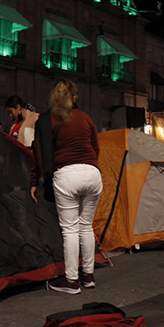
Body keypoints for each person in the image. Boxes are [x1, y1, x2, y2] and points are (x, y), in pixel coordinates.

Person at [31, 80, 102, 295]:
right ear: (75, 97)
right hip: (92, 173)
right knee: (86, 226)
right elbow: (95, 147)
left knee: (70, 229)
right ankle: (88, 276)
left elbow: (39, 154)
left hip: (67, 174)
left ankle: (71, 281)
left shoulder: (47, 120)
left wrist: (34, 181)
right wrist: (87, 165)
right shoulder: (85, 117)